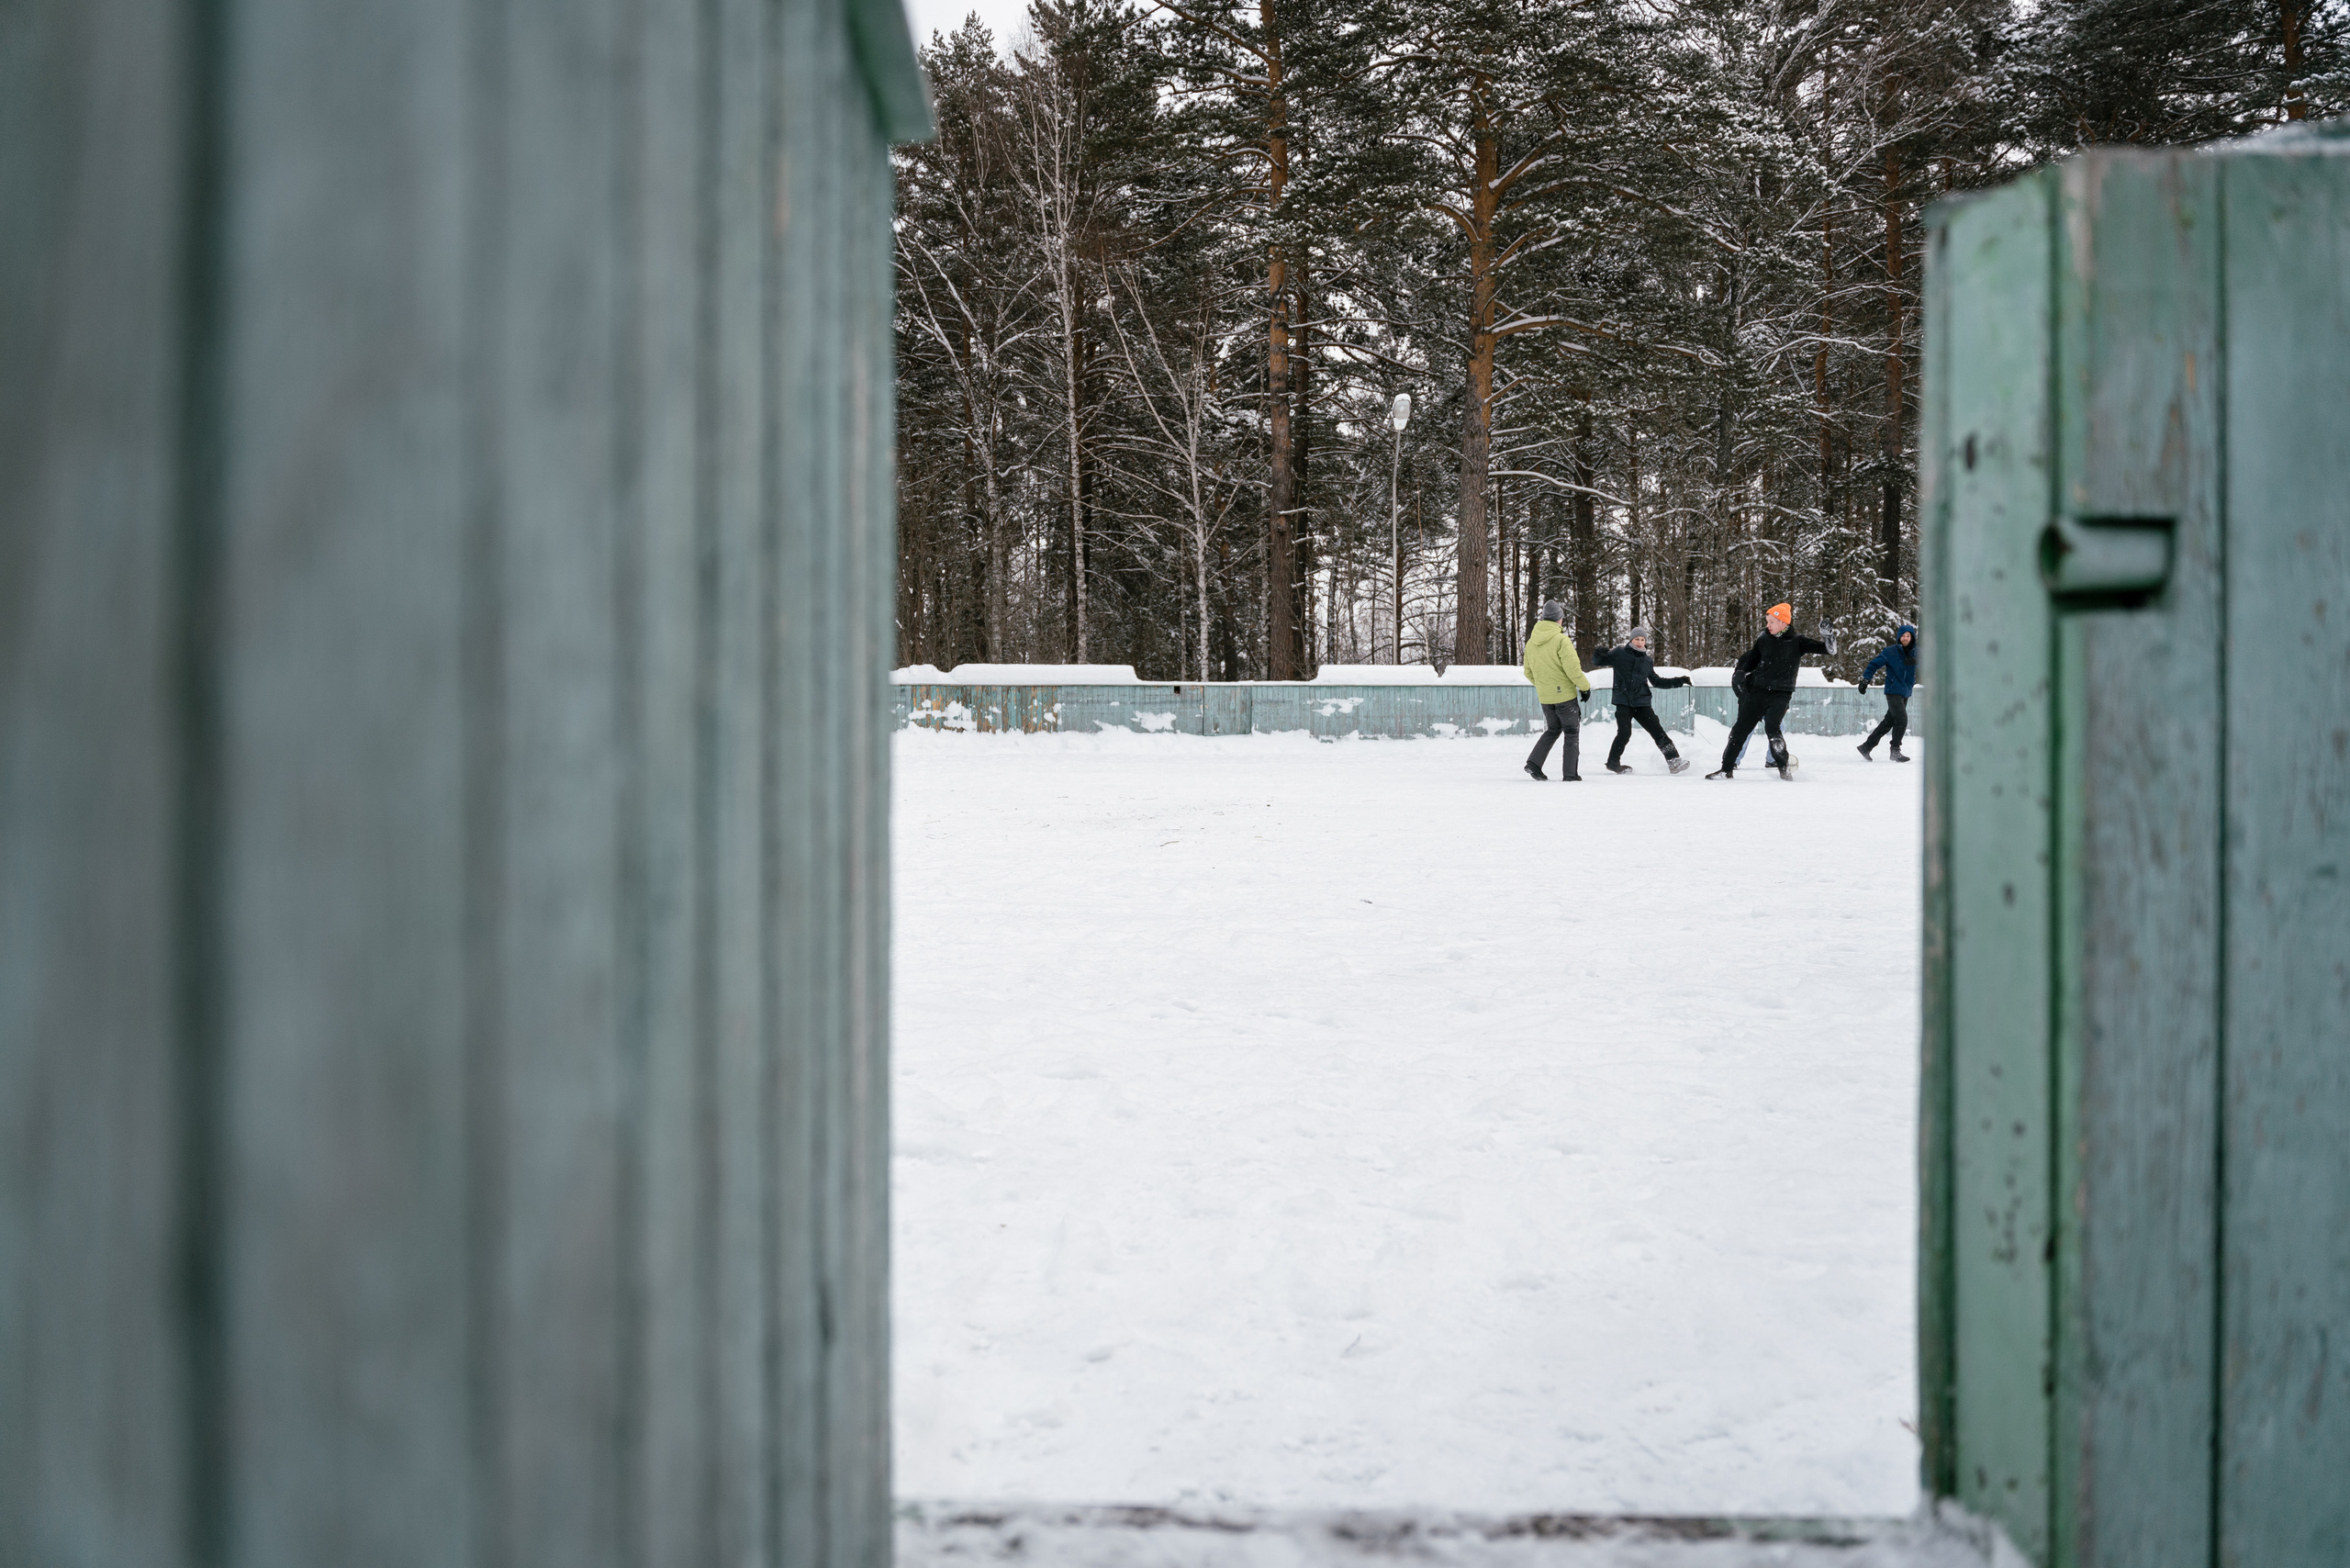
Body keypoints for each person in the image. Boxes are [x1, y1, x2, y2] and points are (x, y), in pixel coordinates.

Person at [1710, 601, 1836, 780]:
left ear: (1783, 622)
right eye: (1767, 621)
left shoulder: (1798, 641)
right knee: (1739, 730)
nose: (1768, 625)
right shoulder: (1764, 639)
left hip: (1780, 694)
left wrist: (1829, 637)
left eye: (1771, 622)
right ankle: (1726, 770)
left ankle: (1784, 768)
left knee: (1773, 728)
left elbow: (1829, 650)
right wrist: (1741, 672)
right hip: (1758, 691)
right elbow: (1752, 661)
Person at [1589, 626, 1692, 774]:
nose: (1639, 642)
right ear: (1631, 640)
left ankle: (1674, 761)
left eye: (1642, 639)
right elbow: (1597, 662)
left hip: (1642, 703)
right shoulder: (1619, 653)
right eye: (1637, 639)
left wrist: (1679, 681)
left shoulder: (1647, 661)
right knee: (1624, 733)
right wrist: (1599, 653)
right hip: (1623, 701)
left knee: (1658, 732)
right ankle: (1613, 763)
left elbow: (1657, 681)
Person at [1521, 601, 1592, 781]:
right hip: (1565, 697)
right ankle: (1570, 774)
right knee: (1571, 732)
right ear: (1559, 620)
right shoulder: (1561, 640)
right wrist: (1585, 687)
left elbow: (1528, 672)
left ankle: (1534, 763)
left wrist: (1544, 686)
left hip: (1546, 698)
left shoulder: (1531, 643)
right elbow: (1573, 670)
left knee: (1553, 729)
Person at [1856, 622, 1918, 762]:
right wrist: (1866, 680)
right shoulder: (1890, 652)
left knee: (1888, 722)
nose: (1905, 638)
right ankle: (1895, 750)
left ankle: (1866, 746)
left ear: (1912, 638)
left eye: (1908, 636)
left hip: (1906, 691)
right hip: (1893, 690)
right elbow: (1873, 664)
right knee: (1901, 719)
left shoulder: (1917, 653)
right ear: (1899, 637)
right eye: (1903, 636)